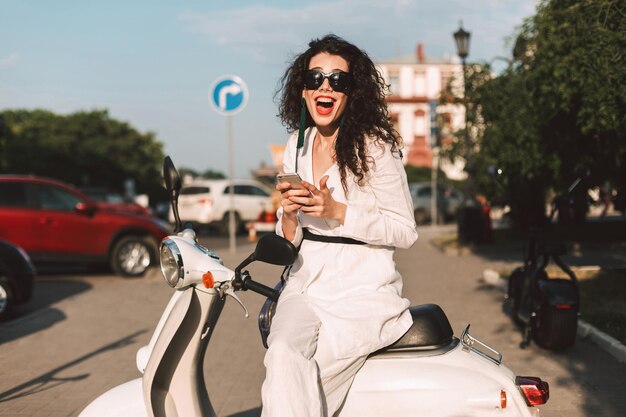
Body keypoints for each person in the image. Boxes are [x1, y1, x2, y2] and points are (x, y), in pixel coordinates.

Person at [261, 34, 418, 417]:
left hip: (360, 292)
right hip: (304, 286)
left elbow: (405, 230)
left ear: (352, 93)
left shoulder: (374, 147)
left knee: (304, 385)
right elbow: (292, 238)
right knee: (281, 354)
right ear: (302, 91)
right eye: (315, 78)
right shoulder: (296, 144)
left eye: (338, 80)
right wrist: (289, 214)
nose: (325, 86)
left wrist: (337, 210)